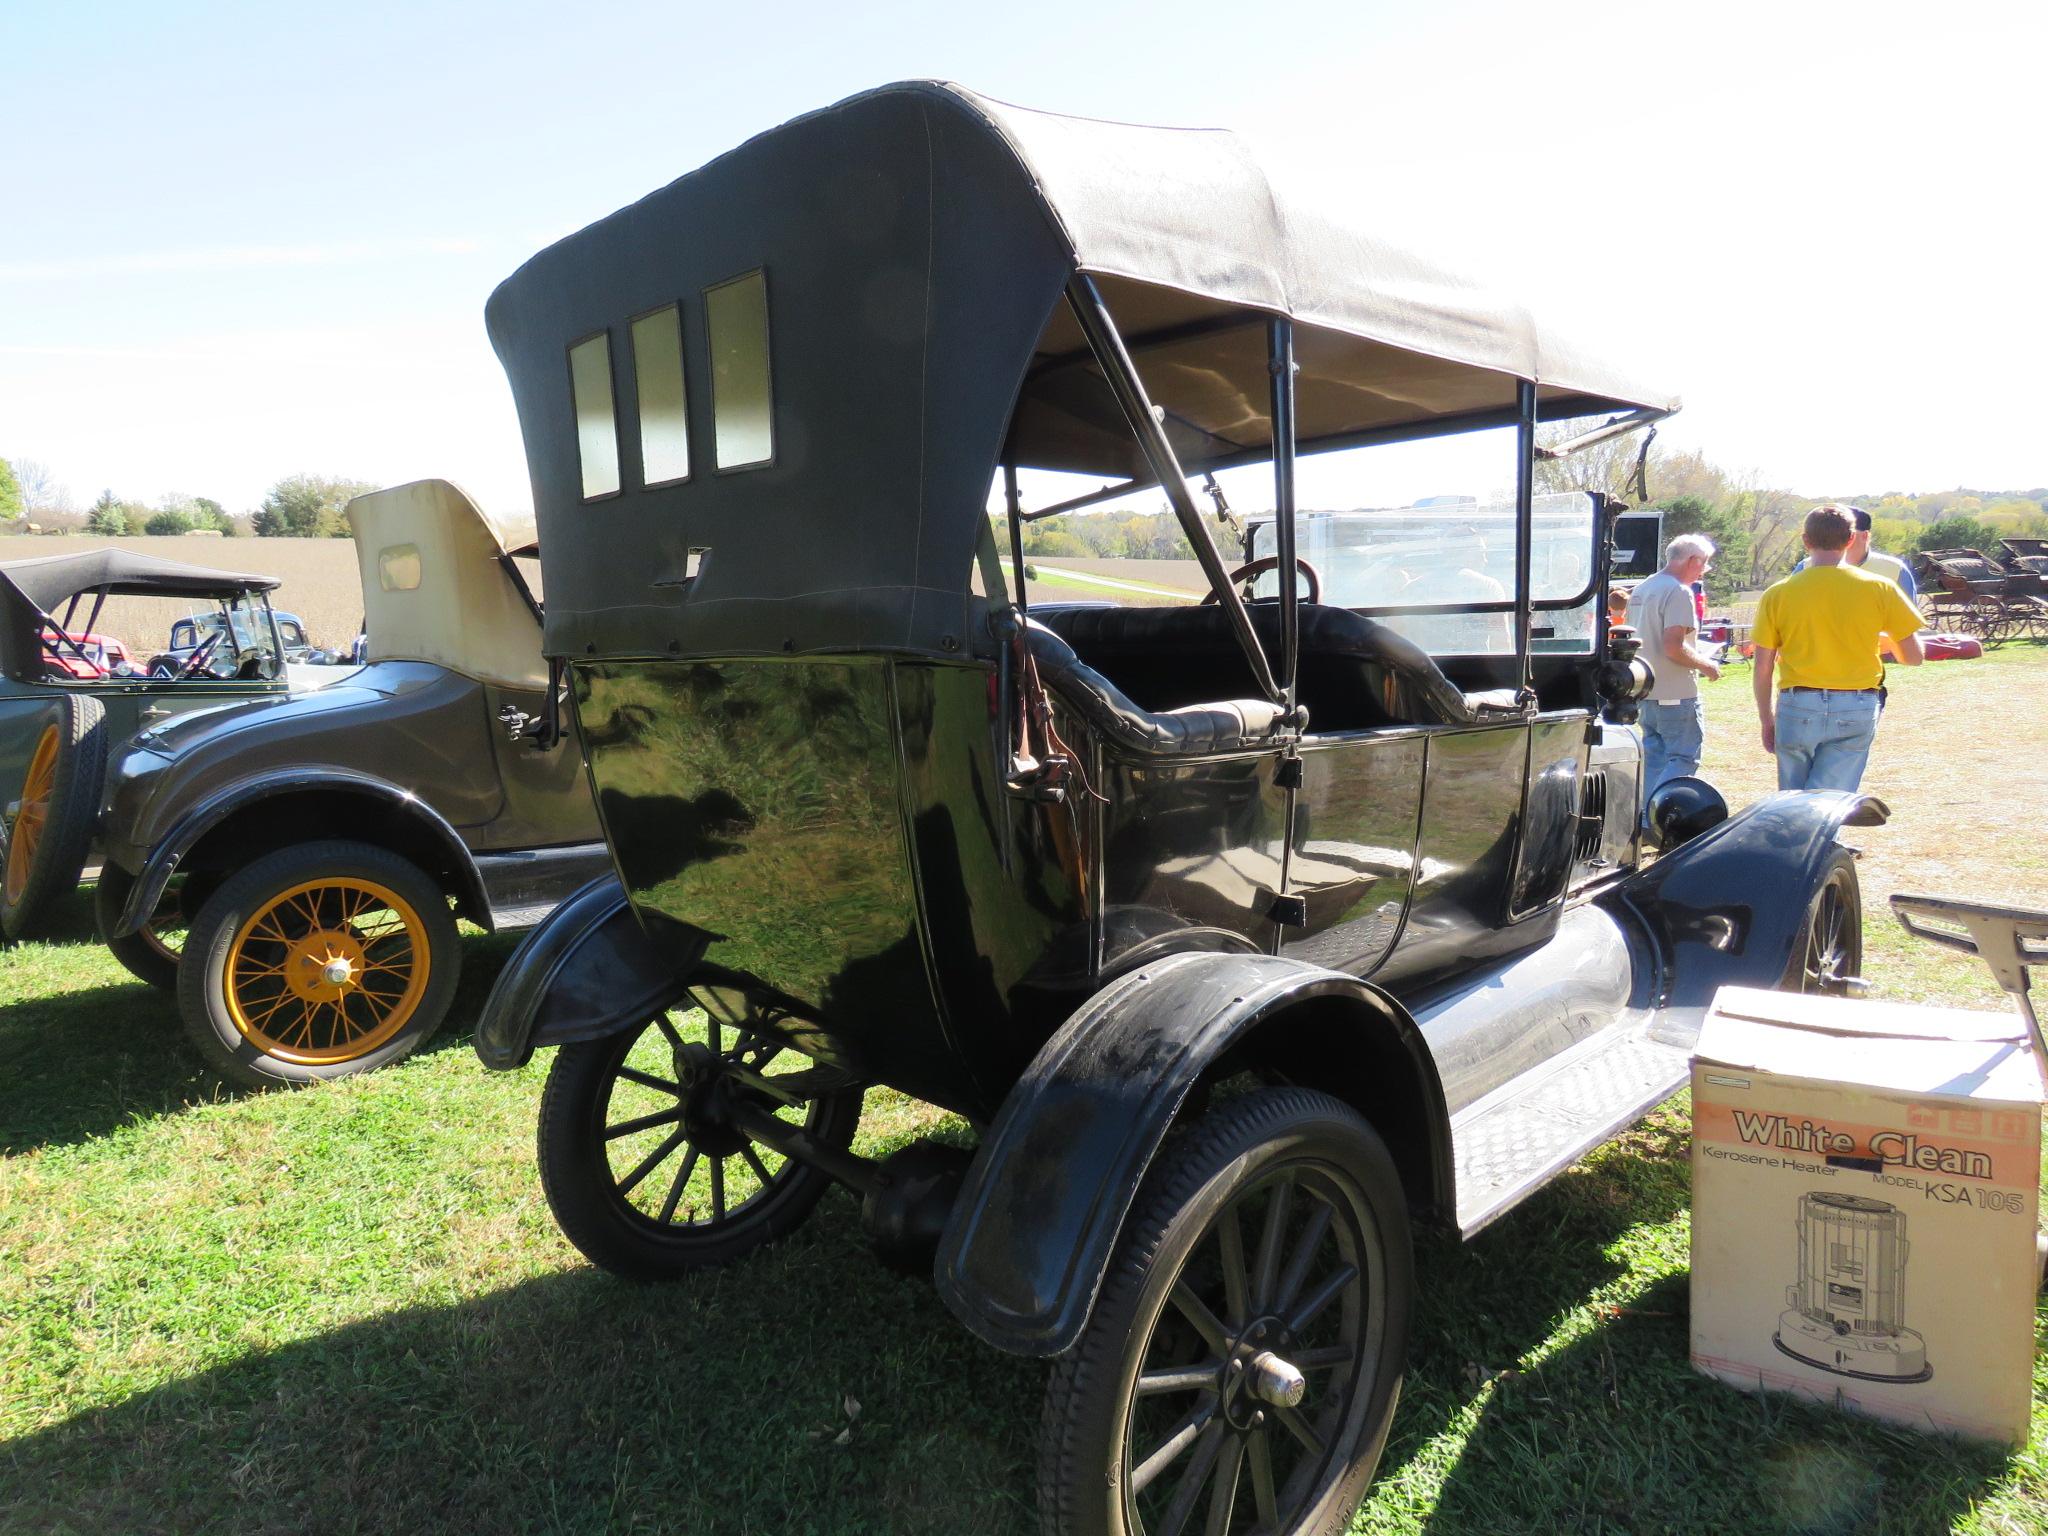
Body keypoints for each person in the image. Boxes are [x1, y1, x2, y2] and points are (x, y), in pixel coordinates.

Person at [1753, 505, 1927, 792]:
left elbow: (1762, 667)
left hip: (1797, 704)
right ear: (1850, 539)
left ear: (1805, 540)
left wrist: (1766, 719)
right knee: (1829, 801)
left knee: (1792, 801)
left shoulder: (1778, 593)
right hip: (1855, 704)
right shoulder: (1880, 588)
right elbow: (1913, 657)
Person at [1626, 534, 1720, 810]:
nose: (1704, 570)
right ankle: (1662, 815)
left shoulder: (1643, 588)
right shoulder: (1679, 591)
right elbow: (1673, 647)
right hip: (1676, 692)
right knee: (1683, 758)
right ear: (1692, 560)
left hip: (1645, 689)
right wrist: (1706, 664)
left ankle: (1643, 818)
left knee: (1654, 757)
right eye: (1704, 564)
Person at [1791, 505, 1919, 601]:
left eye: (1846, 531)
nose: (1836, 536)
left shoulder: (1895, 571)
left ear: (1865, 536)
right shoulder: (1804, 568)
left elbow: (1908, 629)